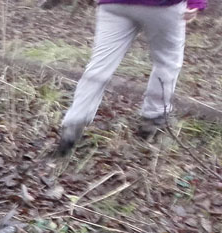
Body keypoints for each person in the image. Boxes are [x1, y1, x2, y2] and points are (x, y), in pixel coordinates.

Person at [57, 0, 207, 155]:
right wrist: (196, 3)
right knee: (167, 62)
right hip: (162, 6)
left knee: (99, 65)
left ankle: (75, 121)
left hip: (114, 4)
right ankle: (153, 118)